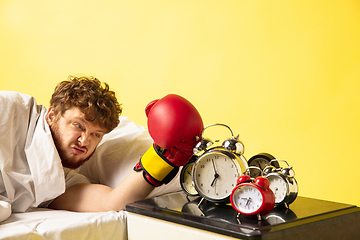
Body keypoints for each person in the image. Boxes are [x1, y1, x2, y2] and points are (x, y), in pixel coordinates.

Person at [0, 75, 203, 222]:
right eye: (78, 126)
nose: (84, 141)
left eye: (96, 134)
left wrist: (162, 157)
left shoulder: (60, 181)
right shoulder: (15, 110)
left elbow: (112, 202)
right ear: (52, 114)